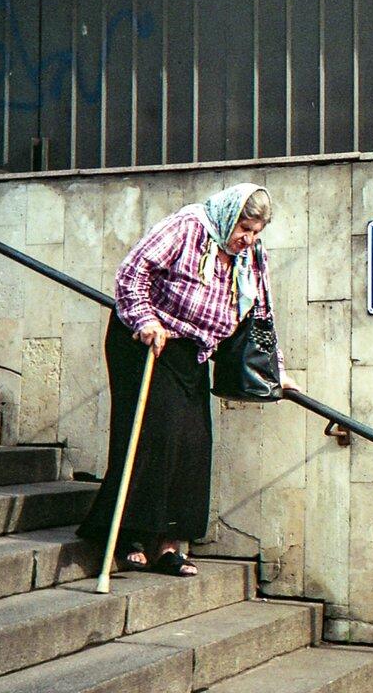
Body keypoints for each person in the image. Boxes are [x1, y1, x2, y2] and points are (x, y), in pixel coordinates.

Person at [77, 182, 299, 576]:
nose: (248, 239)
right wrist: (146, 320)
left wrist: (275, 370)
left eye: (256, 233)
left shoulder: (251, 254)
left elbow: (261, 311)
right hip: (146, 341)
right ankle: (122, 534)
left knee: (194, 442)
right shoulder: (188, 226)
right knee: (153, 434)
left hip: (192, 350)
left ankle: (168, 543)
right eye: (244, 229)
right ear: (230, 216)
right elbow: (133, 270)